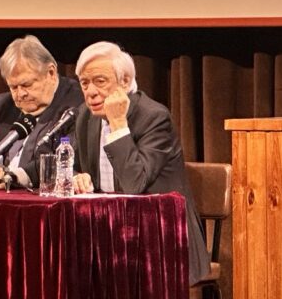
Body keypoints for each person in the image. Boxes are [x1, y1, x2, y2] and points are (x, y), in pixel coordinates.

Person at [70, 41, 211, 285]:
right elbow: (74, 164)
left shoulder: (154, 117)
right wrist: (76, 176)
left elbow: (134, 183)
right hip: (109, 233)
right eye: (84, 83)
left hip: (159, 238)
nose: (90, 92)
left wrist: (118, 124)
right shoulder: (85, 116)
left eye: (100, 81)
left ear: (125, 82)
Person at [0, 35, 83, 189]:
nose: (20, 94)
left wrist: (8, 177)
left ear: (51, 73)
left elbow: (63, 163)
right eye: (13, 87)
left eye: (27, 85)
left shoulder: (77, 106)